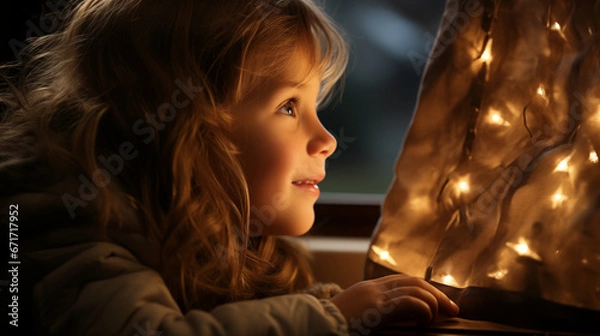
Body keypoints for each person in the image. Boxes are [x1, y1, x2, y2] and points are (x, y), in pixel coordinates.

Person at [0, 0, 459, 335]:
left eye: (314, 106)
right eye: (288, 107)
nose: (327, 140)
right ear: (185, 127)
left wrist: (329, 304)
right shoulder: (74, 234)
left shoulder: (230, 244)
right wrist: (332, 316)